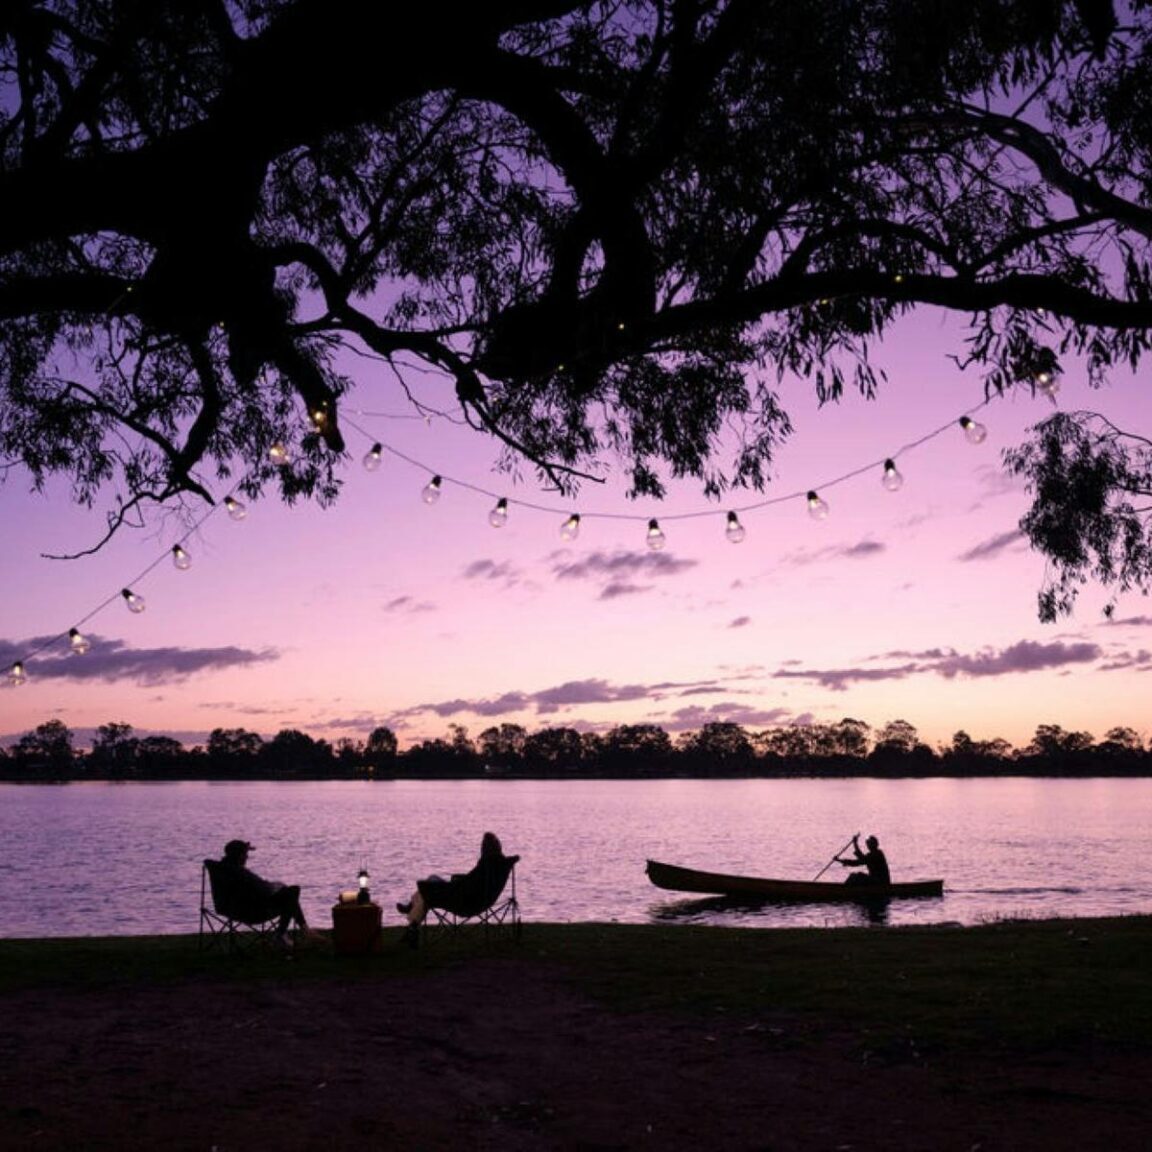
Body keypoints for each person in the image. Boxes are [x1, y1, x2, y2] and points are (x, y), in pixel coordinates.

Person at [396, 831, 520, 944]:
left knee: (428, 890)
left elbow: (470, 883)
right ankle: (412, 926)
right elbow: (473, 881)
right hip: (475, 899)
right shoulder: (499, 865)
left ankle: (411, 919)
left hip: (464, 902)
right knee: (429, 888)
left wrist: (458, 882)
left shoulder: (486, 865)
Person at [217, 838, 311, 950]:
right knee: (292, 892)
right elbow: (263, 889)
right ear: (240, 855)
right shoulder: (241, 873)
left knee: (288, 895)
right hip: (253, 911)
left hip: (231, 909)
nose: (247, 857)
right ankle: (286, 933)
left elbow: (257, 888)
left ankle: (300, 930)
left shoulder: (222, 870)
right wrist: (277, 886)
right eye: (245, 854)